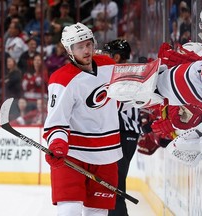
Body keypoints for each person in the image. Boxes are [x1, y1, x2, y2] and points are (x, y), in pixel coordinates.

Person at [43, 22, 122, 216]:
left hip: (106, 154)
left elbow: (126, 94)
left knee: (97, 212)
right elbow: (56, 121)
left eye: (88, 44)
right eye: (80, 47)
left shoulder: (109, 66)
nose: (86, 50)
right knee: (69, 210)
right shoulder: (61, 79)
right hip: (73, 155)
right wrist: (58, 143)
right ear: (69, 50)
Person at [102, 39, 141, 216]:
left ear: (116, 57)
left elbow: (112, 106)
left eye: (107, 55)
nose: (102, 58)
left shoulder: (124, 76)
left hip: (124, 135)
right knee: (113, 185)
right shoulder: (123, 73)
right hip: (123, 134)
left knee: (115, 187)